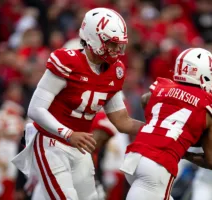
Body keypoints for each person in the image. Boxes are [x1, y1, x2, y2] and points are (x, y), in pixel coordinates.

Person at [12, 8, 144, 200]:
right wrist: (68, 134)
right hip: (51, 143)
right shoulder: (68, 61)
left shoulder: (115, 71)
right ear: (94, 38)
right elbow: (35, 109)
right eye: (111, 44)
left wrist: (156, 129)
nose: (117, 50)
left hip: (80, 147)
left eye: (119, 45)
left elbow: (122, 121)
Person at [120, 48, 212, 200]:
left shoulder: (161, 88)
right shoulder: (209, 105)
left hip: (133, 158)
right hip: (157, 166)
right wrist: (186, 154)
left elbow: (145, 99)